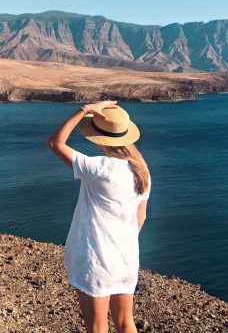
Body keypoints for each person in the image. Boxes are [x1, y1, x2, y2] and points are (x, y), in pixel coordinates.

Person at [45, 100, 151, 333]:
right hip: (126, 258)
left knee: (96, 327)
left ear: (99, 137)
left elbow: (54, 142)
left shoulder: (99, 168)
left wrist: (84, 109)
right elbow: (139, 219)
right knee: (125, 322)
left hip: (96, 259)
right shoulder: (141, 171)